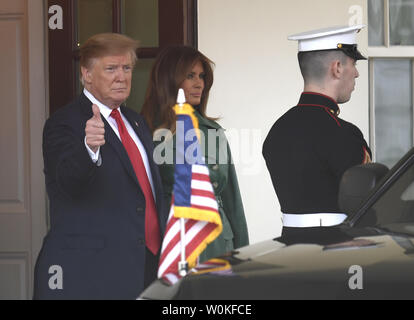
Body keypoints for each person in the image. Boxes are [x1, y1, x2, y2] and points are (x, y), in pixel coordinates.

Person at [34, 33, 167, 299]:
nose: (122, 76)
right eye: (111, 68)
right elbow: (67, 182)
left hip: (147, 267)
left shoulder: (136, 122)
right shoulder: (64, 123)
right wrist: (89, 149)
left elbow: (144, 194)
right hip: (91, 274)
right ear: (87, 74)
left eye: (127, 68)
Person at [141, 45, 249, 262]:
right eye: (190, 76)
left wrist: (244, 256)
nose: (199, 83)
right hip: (172, 240)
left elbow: (232, 200)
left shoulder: (213, 132)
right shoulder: (145, 131)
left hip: (218, 243)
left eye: (201, 76)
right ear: (169, 79)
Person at [262, 25, 372, 235]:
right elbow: (368, 205)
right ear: (337, 68)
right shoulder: (344, 133)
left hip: (287, 249)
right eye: (353, 63)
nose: (357, 73)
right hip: (336, 250)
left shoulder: (277, 130)